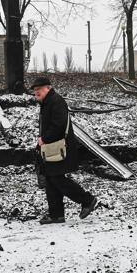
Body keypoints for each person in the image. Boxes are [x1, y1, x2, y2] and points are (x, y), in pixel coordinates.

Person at [31, 76, 98, 224]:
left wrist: (44, 139)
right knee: (51, 178)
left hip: (59, 147)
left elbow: (58, 125)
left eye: (38, 89)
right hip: (53, 148)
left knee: (56, 178)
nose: (36, 93)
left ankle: (88, 200)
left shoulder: (55, 101)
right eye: (35, 90)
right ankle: (56, 215)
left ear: (48, 88)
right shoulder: (48, 102)